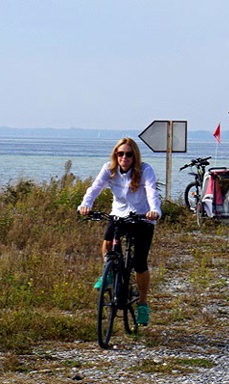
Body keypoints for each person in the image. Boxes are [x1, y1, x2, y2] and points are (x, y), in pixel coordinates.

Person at [78, 137, 162, 326]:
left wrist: (154, 211)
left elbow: (151, 192)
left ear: (135, 156)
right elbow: (95, 188)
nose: (124, 157)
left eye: (129, 154)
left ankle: (142, 304)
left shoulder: (145, 170)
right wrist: (85, 204)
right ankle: (107, 273)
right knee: (108, 243)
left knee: (139, 263)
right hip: (119, 215)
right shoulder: (109, 169)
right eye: (120, 153)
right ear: (116, 154)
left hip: (142, 217)